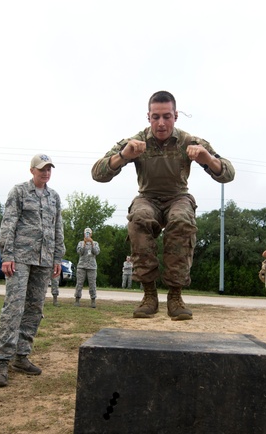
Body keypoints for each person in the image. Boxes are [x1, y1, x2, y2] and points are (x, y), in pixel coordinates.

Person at [92, 91, 235, 321]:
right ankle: (149, 294)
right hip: (147, 196)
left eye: (167, 116)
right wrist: (123, 155)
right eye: (156, 117)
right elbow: (97, 173)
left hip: (178, 196)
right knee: (139, 217)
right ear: (148, 117)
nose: (161, 123)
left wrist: (208, 159)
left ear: (176, 116)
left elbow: (228, 173)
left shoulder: (189, 141)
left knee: (181, 220)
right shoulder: (135, 142)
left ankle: (175, 296)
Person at [0, 154, 65, 388]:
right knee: (14, 308)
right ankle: (3, 361)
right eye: (42, 169)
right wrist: (7, 255)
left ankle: (22, 356)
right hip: (20, 258)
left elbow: (57, 227)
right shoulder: (20, 191)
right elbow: (9, 222)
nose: (46, 173)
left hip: (44, 260)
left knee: (34, 309)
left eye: (49, 169)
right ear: (32, 170)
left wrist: (57, 257)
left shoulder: (54, 197)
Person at [74, 228, 100, 307]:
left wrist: (92, 243)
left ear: (91, 234)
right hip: (82, 266)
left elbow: (96, 252)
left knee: (92, 284)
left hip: (92, 267)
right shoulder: (81, 243)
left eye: (89, 233)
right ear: (84, 234)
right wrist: (84, 244)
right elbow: (79, 252)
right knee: (79, 283)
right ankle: (77, 299)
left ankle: (93, 300)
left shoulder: (95, 243)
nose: (87, 234)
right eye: (86, 233)